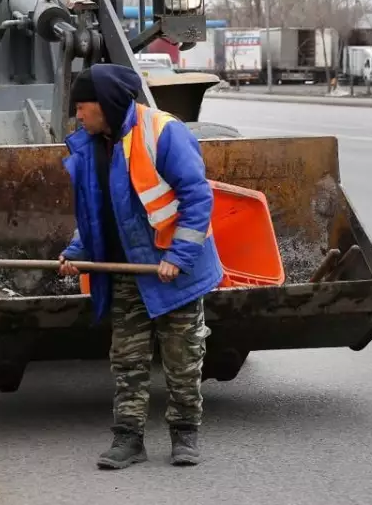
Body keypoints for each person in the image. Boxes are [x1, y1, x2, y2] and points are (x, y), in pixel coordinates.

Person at [57, 64, 222, 470]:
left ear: (107, 104)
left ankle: (185, 434)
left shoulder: (163, 132)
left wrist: (178, 258)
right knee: (127, 359)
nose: (78, 116)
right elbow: (98, 213)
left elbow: (197, 197)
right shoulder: (93, 144)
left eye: (83, 106)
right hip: (127, 270)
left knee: (182, 358)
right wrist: (78, 252)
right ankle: (128, 439)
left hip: (173, 270)